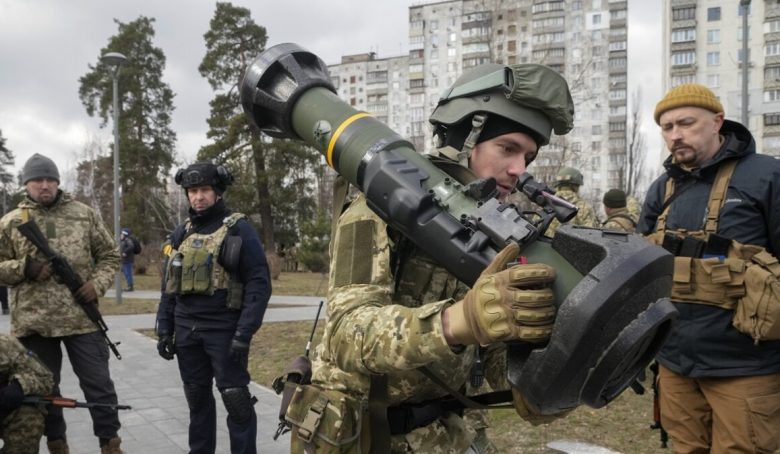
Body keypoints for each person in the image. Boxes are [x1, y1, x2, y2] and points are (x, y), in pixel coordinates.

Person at [284, 63, 573, 452]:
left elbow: (495, 357)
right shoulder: (380, 207)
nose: (518, 170)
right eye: (507, 148)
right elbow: (346, 335)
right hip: (365, 434)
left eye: (528, 157)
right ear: (465, 138)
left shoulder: (499, 231)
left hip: (443, 435)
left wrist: (546, 374)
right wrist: (459, 321)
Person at [638, 83, 780, 453]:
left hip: (746, 366)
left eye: (686, 123)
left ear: (718, 122)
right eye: (667, 128)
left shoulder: (766, 177)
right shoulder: (662, 189)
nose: (675, 135)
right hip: (675, 361)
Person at [0, 153, 124, 454]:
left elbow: (111, 254)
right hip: (34, 324)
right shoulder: (11, 222)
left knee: (99, 384)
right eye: (37, 180)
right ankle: (57, 444)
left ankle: (110, 443)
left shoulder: (84, 214)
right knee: (44, 388)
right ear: (26, 184)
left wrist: (96, 286)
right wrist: (23, 269)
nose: (45, 185)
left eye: (50, 179)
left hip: (82, 319)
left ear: (57, 182)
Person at [155, 162, 272, 454]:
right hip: (186, 329)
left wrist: (244, 333)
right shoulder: (182, 232)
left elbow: (259, 283)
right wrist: (165, 328)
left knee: (236, 400)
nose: (198, 197)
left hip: (223, 330)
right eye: (192, 191)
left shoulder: (239, 229)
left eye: (204, 189)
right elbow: (170, 283)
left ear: (217, 192)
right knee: (197, 399)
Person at [0, 333, 53, 453]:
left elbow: (43, 377)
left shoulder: (5, 343)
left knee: (28, 417)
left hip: (4, 410)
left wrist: (19, 386)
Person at [545, 166, 598, 237]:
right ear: (576, 186)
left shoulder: (545, 204)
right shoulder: (585, 208)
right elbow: (592, 236)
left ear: (558, 184)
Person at [119, 228, 137, 292]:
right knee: (126, 274)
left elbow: (131, 246)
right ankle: (128, 286)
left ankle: (130, 287)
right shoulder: (123, 241)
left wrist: (125, 252)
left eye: (121, 234)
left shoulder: (128, 240)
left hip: (128, 260)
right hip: (124, 260)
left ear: (124, 234)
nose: (120, 235)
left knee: (128, 273)